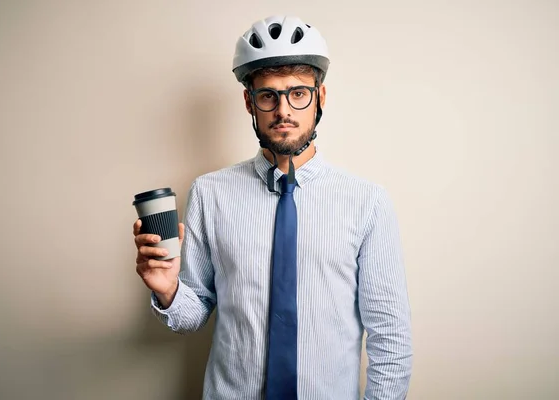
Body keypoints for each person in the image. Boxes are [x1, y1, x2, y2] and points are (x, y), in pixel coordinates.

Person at [133, 15, 413, 400]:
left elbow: (391, 338)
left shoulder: (367, 202)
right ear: (250, 102)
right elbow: (191, 315)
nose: (284, 110)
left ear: (321, 97)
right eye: (268, 95)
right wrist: (168, 291)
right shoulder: (209, 193)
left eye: (298, 93)